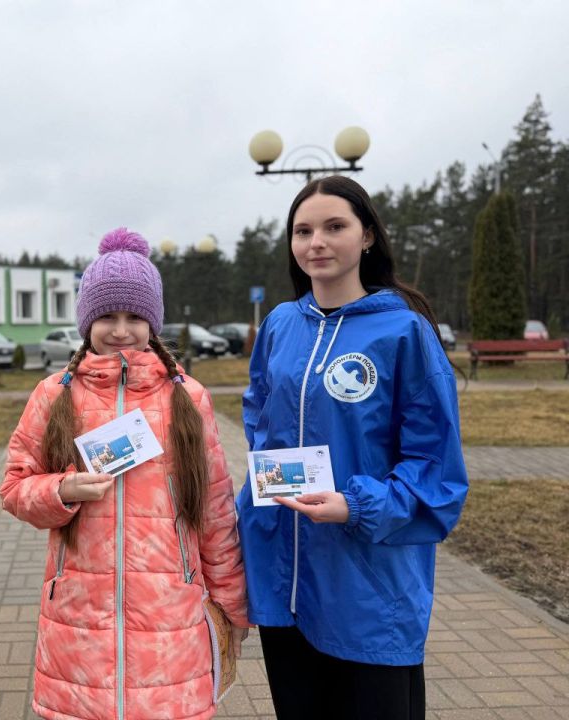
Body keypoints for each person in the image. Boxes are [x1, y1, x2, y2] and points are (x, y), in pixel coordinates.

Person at [237, 175, 468, 720]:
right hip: (285, 581)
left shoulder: (403, 332)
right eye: (303, 230)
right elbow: (260, 416)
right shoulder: (279, 325)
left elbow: (437, 474)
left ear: (366, 236)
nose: (316, 241)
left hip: (369, 585)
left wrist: (357, 505)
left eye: (334, 227)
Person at [0, 229, 252, 720]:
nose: (121, 330)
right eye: (107, 316)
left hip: (170, 620)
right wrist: (61, 490)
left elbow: (216, 511)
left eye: (135, 316)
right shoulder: (55, 396)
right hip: (77, 619)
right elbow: (14, 487)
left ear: (153, 322)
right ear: (86, 321)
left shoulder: (188, 399)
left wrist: (231, 605)